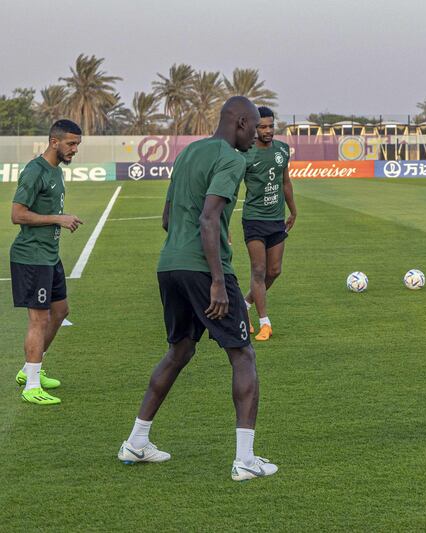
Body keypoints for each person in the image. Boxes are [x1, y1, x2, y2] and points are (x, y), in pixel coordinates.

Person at [118, 97, 279, 481]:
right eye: (255, 127)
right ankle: (245, 460)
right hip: (205, 270)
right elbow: (209, 218)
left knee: (180, 350)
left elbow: (167, 217)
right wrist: (219, 282)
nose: (257, 134)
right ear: (240, 122)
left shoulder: (190, 153)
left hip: (169, 265)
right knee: (242, 354)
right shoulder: (232, 158)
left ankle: (137, 441)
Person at [10, 119, 83, 405]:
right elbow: (17, 214)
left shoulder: (56, 171)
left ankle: (31, 368)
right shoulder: (34, 171)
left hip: (49, 256)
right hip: (31, 257)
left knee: (61, 311)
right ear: (55, 142)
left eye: (77, 144)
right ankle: (31, 385)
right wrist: (59, 219)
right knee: (39, 318)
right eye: (71, 144)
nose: (75, 150)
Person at [241, 106, 297, 341]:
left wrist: (293, 211)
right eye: (262, 127)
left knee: (274, 271)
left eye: (271, 126)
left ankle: (244, 305)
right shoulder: (245, 153)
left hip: (276, 219)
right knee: (259, 270)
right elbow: (231, 188)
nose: (268, 131)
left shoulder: (283, 150)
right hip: (254, 219)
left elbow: (285, 182)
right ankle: (265, 322)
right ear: (254, 128)